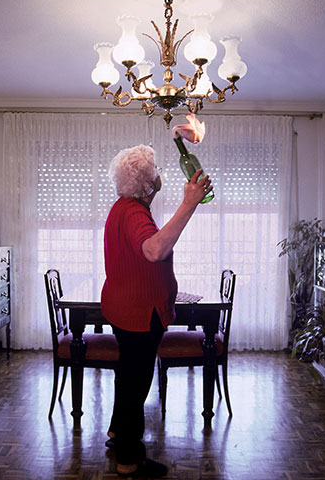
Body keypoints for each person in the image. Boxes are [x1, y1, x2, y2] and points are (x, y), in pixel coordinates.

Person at [101, 144, 213, 478]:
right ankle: (128, 460)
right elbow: (154, 249)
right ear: (148, 183)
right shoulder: (134, 210)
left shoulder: (124, 207)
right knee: (136, 385)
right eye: (157, 170)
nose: (162, 173)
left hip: (126, 308)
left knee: (128, 376)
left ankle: (117, 434)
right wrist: (190, 202)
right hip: (139, 312)